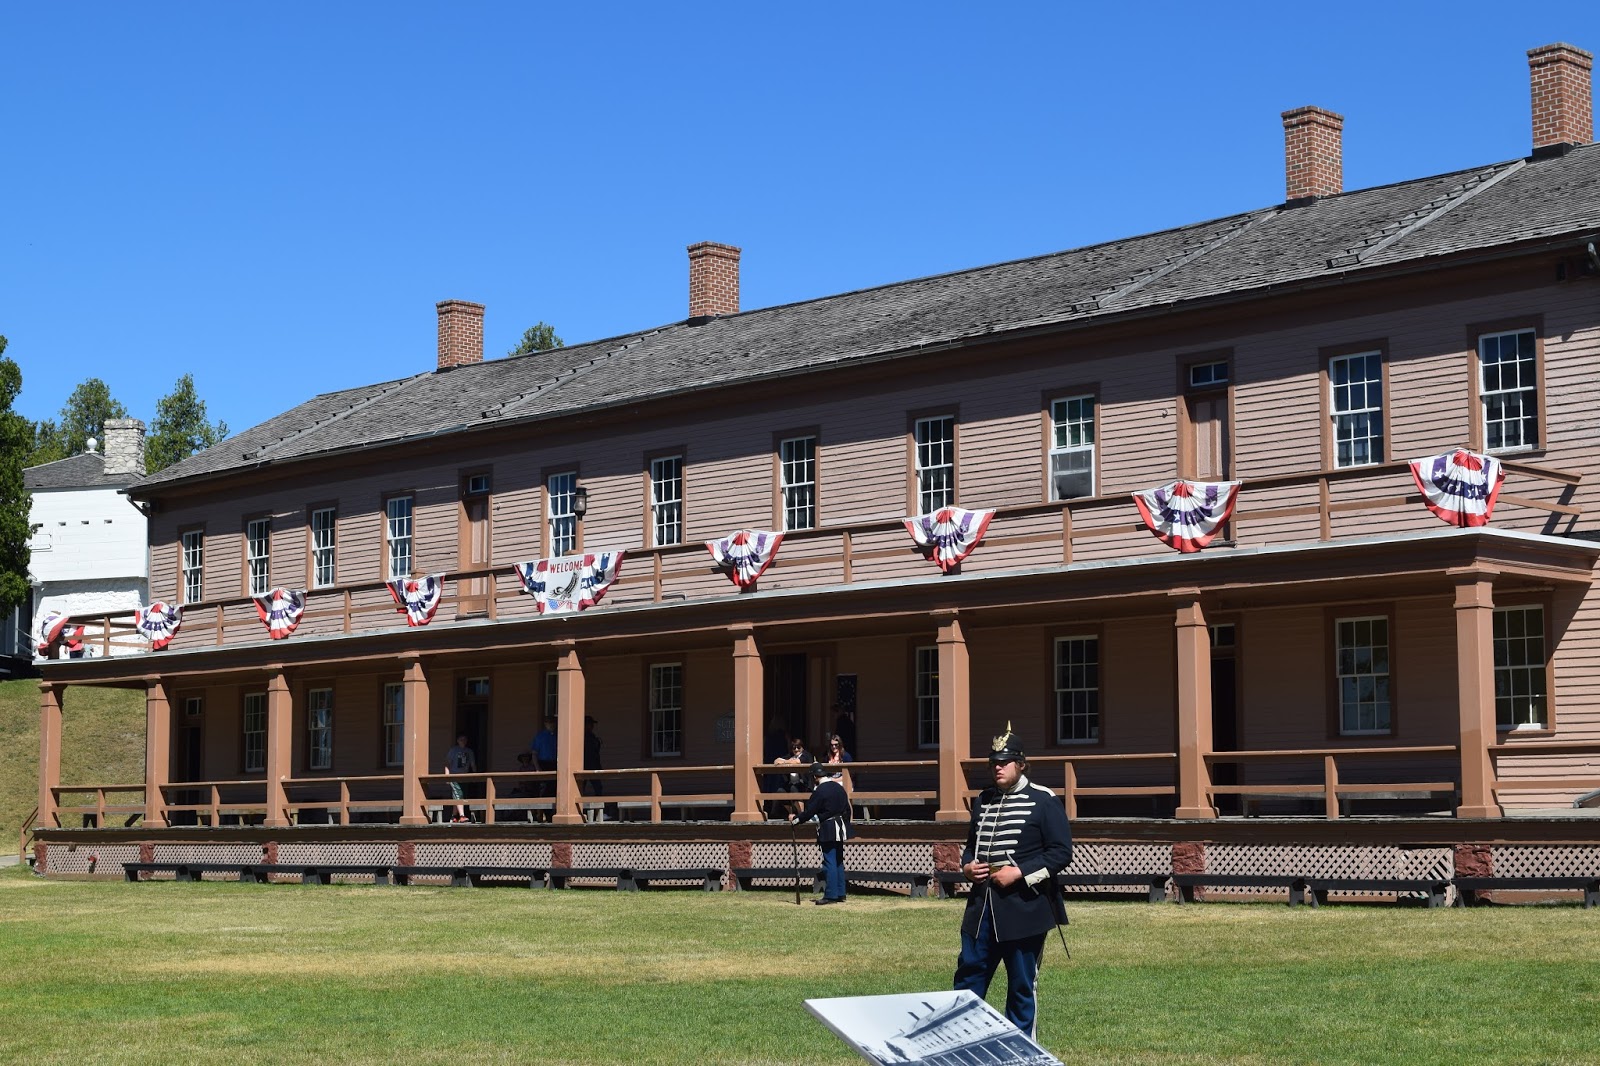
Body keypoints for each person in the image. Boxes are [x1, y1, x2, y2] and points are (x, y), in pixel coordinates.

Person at [953, 721, 1072, 1039]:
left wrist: (1020, 872)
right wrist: (967, 868)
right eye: (993, 763)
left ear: (1021, 764)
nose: (997, 768)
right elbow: (970, 847)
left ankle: (1021, 1052)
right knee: (967, 981)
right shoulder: (983, 800)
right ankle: (965, 1046)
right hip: (980, 911)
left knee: (1020, 986)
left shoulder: (1044, 800)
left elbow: (1061, 854)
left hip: (1025, 910)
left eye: (1004, 762)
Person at [790, 762, 853, 905]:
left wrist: (795, 820)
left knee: (830, 861)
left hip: (828, 828)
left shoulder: (820, 791)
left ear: (814, 777)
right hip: (841, 826)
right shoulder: (839, 788)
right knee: (838, 861)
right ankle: (840, 892)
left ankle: (831, 895)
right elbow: (847, 809)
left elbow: (809, 812)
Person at [443, 734, 477, 823]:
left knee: (459, 795)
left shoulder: (469, 751)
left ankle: (453, 816)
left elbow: (472, 764)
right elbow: (447, 763)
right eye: (461, 739)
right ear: (458, 741)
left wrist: (475, 775)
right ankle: (462, 816)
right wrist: (447, 775)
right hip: (454, 776)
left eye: (465, 739)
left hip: (464, 777)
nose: (463, 741)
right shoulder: (453, 751)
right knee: (458, 795)